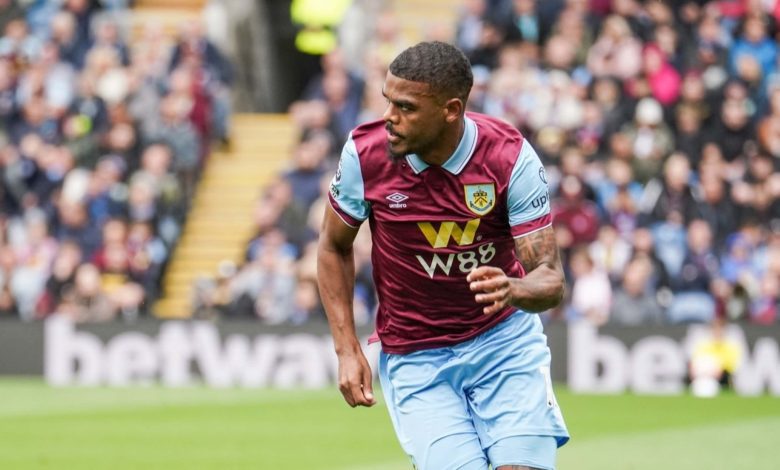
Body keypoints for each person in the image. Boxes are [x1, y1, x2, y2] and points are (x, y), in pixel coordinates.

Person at [318, 41, 569, 470]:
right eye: (387, 102)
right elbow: (332, 247)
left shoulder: (508, 158)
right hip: (417, 355)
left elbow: (550, 279)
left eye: (406, 108)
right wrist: (346, 349)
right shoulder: (365, 154)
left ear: (451, 110)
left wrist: (514, 288)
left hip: (503, 343)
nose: (388, 119)